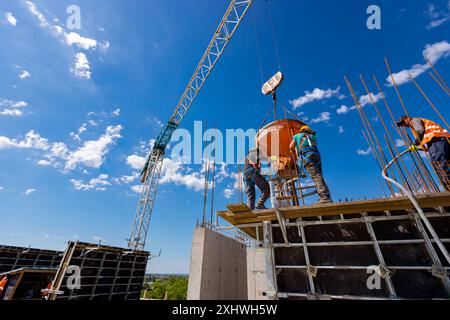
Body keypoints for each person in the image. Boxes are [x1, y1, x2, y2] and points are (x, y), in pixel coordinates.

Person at [397, 115, 450, 190]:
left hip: (436, 139)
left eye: (403, 122)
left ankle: (448, 187)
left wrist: (415, 144)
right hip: (442, 139)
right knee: (446, 162)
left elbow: (420, 131)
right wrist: (419, 147)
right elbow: (423, 143)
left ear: (408, 118)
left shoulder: (414, 120)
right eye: (401, 124)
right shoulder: (415, 126)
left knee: (438, 163)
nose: (403, 125)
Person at [290, 125, 332, 204]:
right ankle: (323, 196)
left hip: (307, 155)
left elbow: (291, 146)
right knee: (319, 175)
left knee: (316, 176)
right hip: (316, 155)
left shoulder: (297, 136)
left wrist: (293, 150)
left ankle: (325, 196)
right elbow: (314, 144)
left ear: (301, 130)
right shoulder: (312, 136)